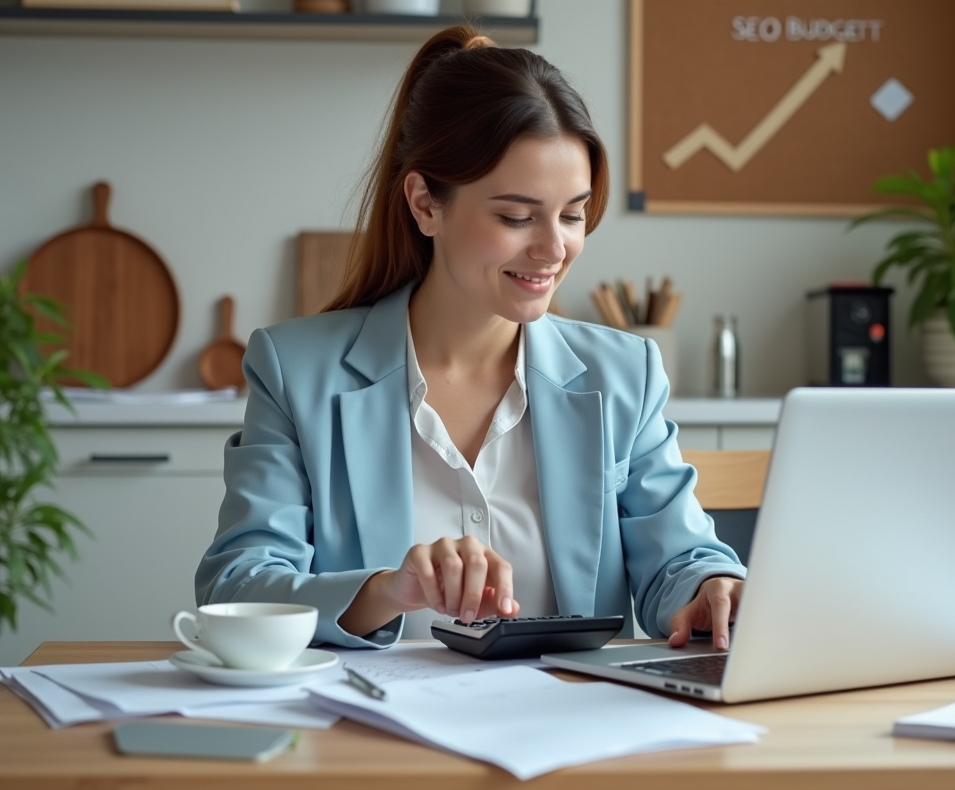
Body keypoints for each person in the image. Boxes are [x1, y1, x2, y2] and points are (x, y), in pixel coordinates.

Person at [195, 25, 746, 652]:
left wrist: (711, 584)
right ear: (426, 203)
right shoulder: (297, 370)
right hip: (374, 734)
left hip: (572, 731)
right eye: (516, 217)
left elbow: (679, 557)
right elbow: (236, 586)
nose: (554, 248)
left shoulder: (624, 372)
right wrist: (386, 589)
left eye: (572, 214)